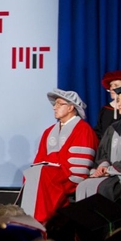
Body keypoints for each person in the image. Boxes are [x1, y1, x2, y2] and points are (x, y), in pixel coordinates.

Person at [20, 89, 98, 224]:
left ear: (71, 107)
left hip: (69, 175)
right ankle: (28, 219)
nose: (54, 107)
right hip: (50, 174)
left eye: (59, 104)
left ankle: (40, 221)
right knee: (32, 173)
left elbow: (79, 167)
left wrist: (50, 165)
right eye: (54, 104)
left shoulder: (83, 130)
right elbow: (40, 158)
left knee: (43, 174)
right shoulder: (49, 131)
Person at [93, 70, 121, 139]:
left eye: (116, 85)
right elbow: (99, 132)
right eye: (111, 85)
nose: (111, 88)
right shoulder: (105, 110)